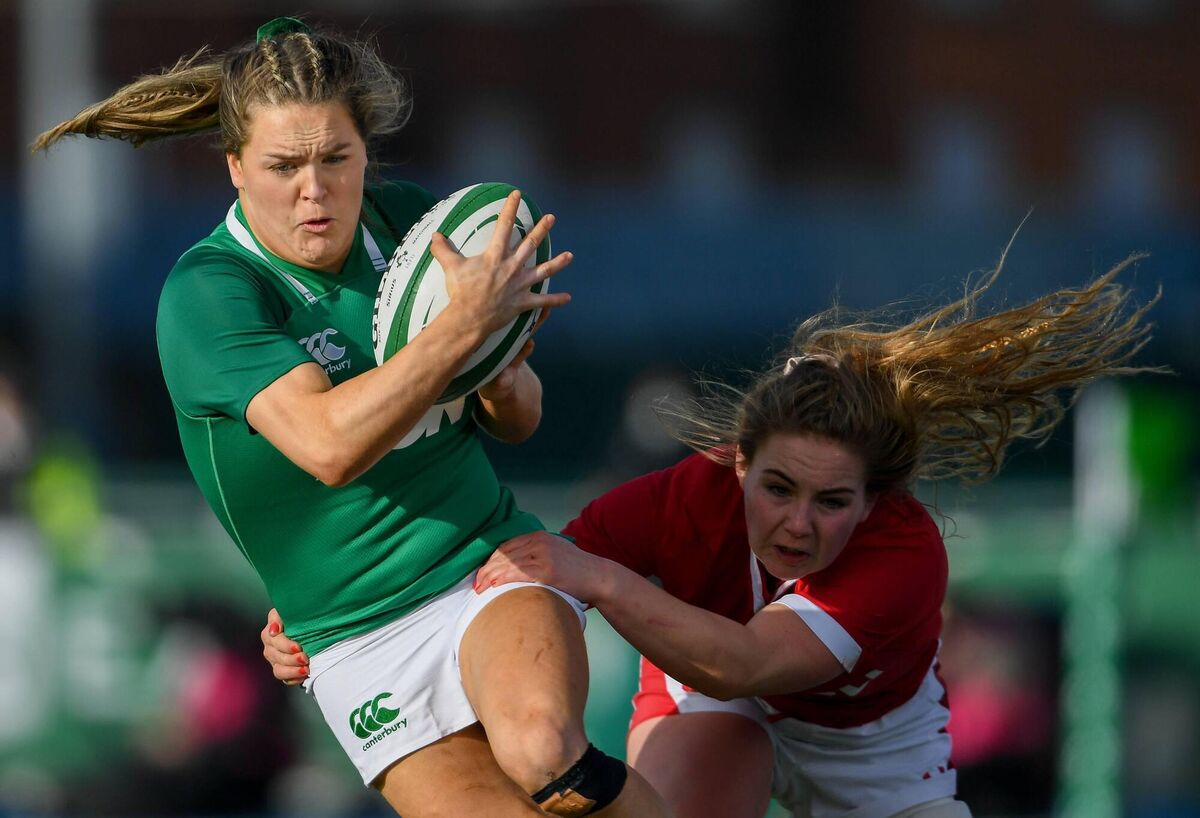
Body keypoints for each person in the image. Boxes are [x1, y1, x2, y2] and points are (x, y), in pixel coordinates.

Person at [34, 18, 668, 818]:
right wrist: (460, 333)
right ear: (235, 167)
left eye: (336, 158)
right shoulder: (210, 293)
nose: (315, 188)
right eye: (283, 165)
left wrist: (501, 364)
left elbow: (520, 419)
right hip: (352, 641)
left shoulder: (412, 229)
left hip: (484, 568)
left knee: (543, 746)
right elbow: (329, 446)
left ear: (367, 152)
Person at [263, 253, 1161, 818]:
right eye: (776, 488)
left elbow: (751, 661)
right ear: (735, 462)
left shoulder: (906, 551)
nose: (799, 524)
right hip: (711, 706)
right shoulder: (677, 501)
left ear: (875, 498)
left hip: (872, 754)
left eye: (833, 502)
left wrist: (605, 582)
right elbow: (505, 583)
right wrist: (331, 615)